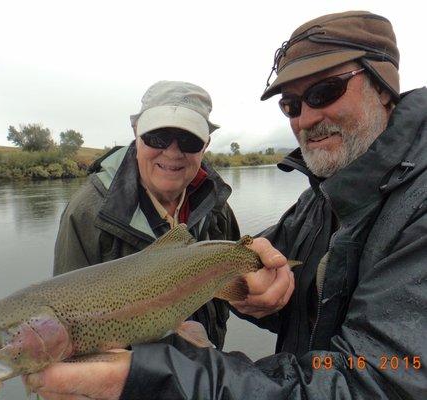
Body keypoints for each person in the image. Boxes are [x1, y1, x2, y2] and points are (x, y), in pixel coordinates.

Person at [26, 11, 427, 399]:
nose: (305, 118)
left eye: (325, 92)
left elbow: (382, 379)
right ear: (136, 134)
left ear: (382, 85)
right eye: (290, 104)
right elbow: (298, 306)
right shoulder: (320, 201)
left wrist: (166, 379)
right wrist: (257, 299)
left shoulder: (413, 206)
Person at [52, 80, 292, 351]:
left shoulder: (216, 205)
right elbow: (66, 330)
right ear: (136, 131)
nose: (173, 152)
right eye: (158, 136)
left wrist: (260, 299)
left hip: (210, 380)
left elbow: (234, 291)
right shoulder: (85, 214)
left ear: (205, 144)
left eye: (189, 140)